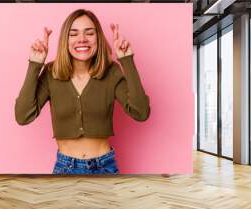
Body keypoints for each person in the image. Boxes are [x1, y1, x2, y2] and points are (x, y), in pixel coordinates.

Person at [15, 9, 150, 175]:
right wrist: (35, 64)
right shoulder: (51, 72)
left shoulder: (111, 71)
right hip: (65, 168)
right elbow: (23, 116)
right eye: (73, 34)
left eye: (89, 33)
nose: (82, 39)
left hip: (105, 167)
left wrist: (126, 60)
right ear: (66, 39)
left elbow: (141, 112)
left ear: (98, 38)